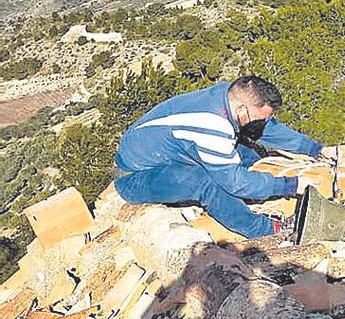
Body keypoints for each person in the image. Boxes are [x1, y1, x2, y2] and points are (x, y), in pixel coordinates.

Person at [113, 76, 332, 239]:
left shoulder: (227, 96)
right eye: (256, 118)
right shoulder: (212, 123)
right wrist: (290, 185)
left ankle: (254, 195)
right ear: (242, 109)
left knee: (247, 154)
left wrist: (314, 149)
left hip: (165, 156)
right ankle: (266, 230)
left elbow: (265, 128)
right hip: (134, 177)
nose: (259, 123)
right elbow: (236, 183)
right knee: (208, 183)